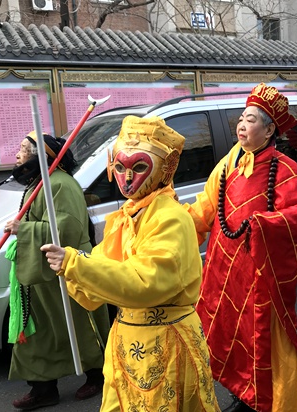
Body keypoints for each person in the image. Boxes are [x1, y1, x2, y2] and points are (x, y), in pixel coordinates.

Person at [40, 116, 220, 411]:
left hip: (165, 341)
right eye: (120, 167)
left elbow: (145, 282)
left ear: (164, 168)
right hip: (126, 341)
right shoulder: (126, 216)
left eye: (138, 167)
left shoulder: (170, 218)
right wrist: (71, 267)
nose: (126, 178)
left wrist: (76, 264)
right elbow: (100, 270)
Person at [184, 83, 297, 412]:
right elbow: (205, 207)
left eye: (250, 120)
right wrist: (172, 230)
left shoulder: (284, 168)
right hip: (225, 272)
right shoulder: (229, 163)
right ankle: (244, 393)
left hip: (261, 274)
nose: (241, 125)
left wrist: (265, 224)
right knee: (233, 337)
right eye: (242, 119)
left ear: (269, 129)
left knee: (265, 339)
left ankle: (283, 397)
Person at [5, 131, 110, 410]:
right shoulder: (39, 183)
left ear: (41, 156)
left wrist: (23, 229)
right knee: (38, 332)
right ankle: (42, 388)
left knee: (78, 326)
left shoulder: (61, 184)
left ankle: (98, 375)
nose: (18, 154)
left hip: (67, 269)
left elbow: (69, 229)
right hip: (39, 271)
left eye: (24, 149)